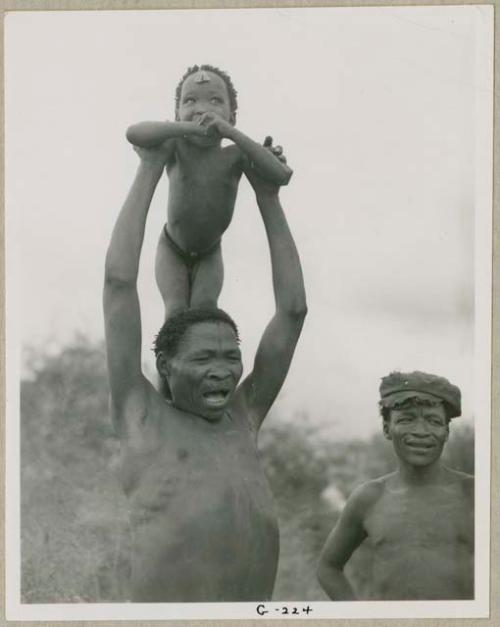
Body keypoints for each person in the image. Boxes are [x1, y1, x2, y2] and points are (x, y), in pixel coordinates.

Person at [103, 139, 306, 601]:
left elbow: (292, 313)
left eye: (230, 357)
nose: (222, 371)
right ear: (165, 366)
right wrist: (150, 167)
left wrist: (268, 197)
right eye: (202, 359)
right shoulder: (142, 417)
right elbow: (118, 284)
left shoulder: (243, 418)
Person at [126, 64, 293, 318]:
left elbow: (282, 175)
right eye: (190, 101)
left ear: (232, 117)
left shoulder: (236, 155)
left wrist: (231, 134)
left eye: (215, 101)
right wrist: (186, 128)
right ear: (177, 113)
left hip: (210, 253)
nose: (202, 108)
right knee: (176, 313)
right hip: (172, 249)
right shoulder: (175, 147)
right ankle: (171, 358)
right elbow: (134, 133)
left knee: (205, 312)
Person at [317, 371, 474, 601]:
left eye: (433, 420)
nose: (421, 432)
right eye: (406, 419)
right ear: (387, 428)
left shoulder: (475, 494)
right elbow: (328, 567)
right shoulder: (369, 498)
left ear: (446, 432)